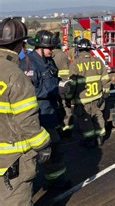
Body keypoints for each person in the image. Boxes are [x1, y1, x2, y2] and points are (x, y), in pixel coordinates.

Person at [0, 18, 51, 204]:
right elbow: (27, 121)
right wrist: (43, 144)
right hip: (11, 164)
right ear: (21, 45)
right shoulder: (15, 75)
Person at [20, 30, 70, 189]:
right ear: (39, 47)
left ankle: (55, 181)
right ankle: (46, 182)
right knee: (44, 151)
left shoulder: (49, 61)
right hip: (39, 115)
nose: (52, 50)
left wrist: (62, 85)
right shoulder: (28, 64)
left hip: (51, 112)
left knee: (54, 149)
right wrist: (55, 89)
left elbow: (54, 79)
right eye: (50, 48)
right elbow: (29, 92)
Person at [66, 38, 111, 147]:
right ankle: (100, 138)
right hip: (97, 98)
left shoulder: (75, 64)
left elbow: (72, 85)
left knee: (85, 120)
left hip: (83, 101)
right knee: (98, 117)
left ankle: (90, 140)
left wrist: (68, 98)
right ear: (90, 49)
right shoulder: (98, 62)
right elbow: (106, 79)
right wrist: (104, 95)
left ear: (78, 50)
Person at [52, 39, 74, 136]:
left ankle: (58, 128)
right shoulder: (61, 55)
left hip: (53, 86)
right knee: (66, 107)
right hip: (63, 84)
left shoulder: (49, 55)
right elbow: (66, 72)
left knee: (57, 107)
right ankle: (67, 129)